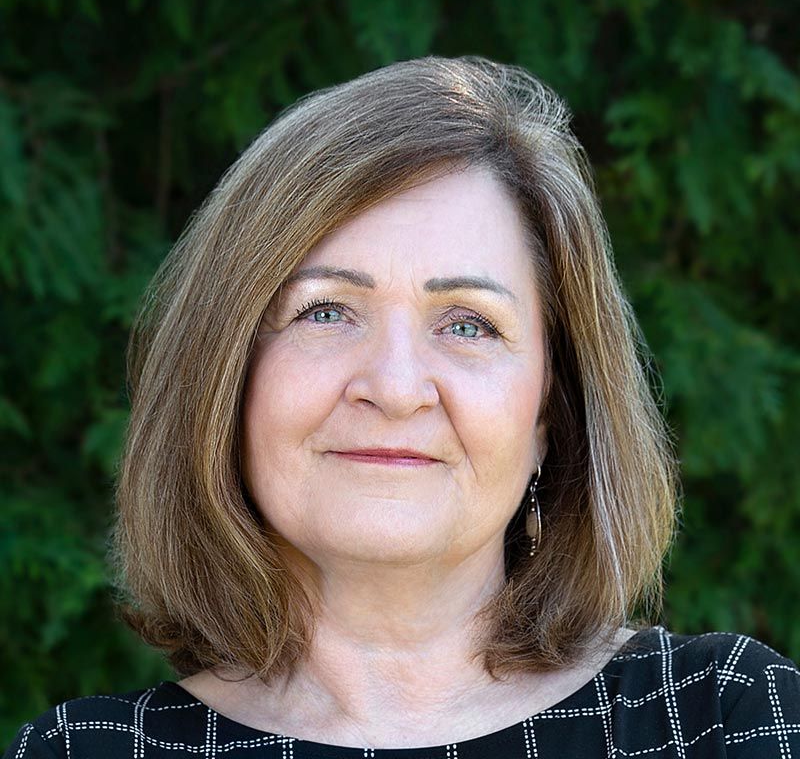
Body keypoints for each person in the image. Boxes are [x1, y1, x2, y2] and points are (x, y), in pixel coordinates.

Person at [5, 56, 799, 758]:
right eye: (325, 311)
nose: (392, 386)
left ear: (551, 413)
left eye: (467, 324)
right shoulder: (85, 754)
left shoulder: (722, 723)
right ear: (226, 378)